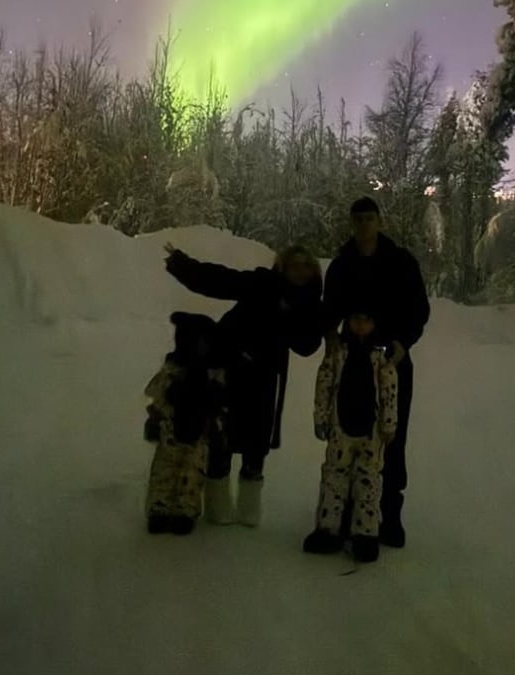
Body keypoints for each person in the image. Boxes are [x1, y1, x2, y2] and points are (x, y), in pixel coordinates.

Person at [162, 242, 325, 528]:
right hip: (228, 366)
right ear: (283, 267)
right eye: (295, 264)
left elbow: (307, 345)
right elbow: (221, 280)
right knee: (222, 435)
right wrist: (182, 265)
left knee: (257, 441)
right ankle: (217, 505)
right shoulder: (262, 284)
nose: (301, 270)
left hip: (264, 375)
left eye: (306, 265)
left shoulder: (311, 302)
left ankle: (249, 506)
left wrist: (292, 315)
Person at [320, 196, 430, 547]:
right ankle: (346, 511)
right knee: (348, 438)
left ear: (380, 222)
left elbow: (419, 310)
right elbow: (329, 310)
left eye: (369, 218)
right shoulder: (341, 266)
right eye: (358, 219)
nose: (364, 225)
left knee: (390, 438)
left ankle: (390, 515)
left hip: (391, 365)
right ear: (352, 224)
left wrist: (403, 344)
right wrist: (329, 338)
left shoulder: (401, 263)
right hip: (351, 367)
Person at [302, 310, 400, 563]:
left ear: (374, 323)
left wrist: (389, 424)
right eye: (355, 319)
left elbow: (389, 391)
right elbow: (324, 384)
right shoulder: (337, 352)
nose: (360, 325)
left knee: (368, 481)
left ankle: (365, 534)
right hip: (340, 427)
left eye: (367, 319)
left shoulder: (382, 356)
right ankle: (328, 530)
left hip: (371, 431)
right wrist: (321, 418)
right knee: (335, 477)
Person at [143, 312, 230, 535]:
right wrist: (158, 415)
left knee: (192, 472)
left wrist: (216, 415)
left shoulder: (214, 370)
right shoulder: (174, 367)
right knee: (165, 469)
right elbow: (157, 392)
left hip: (200, 431)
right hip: (170, 429)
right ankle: (159, 509)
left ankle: (185, 510)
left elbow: (221, 399)